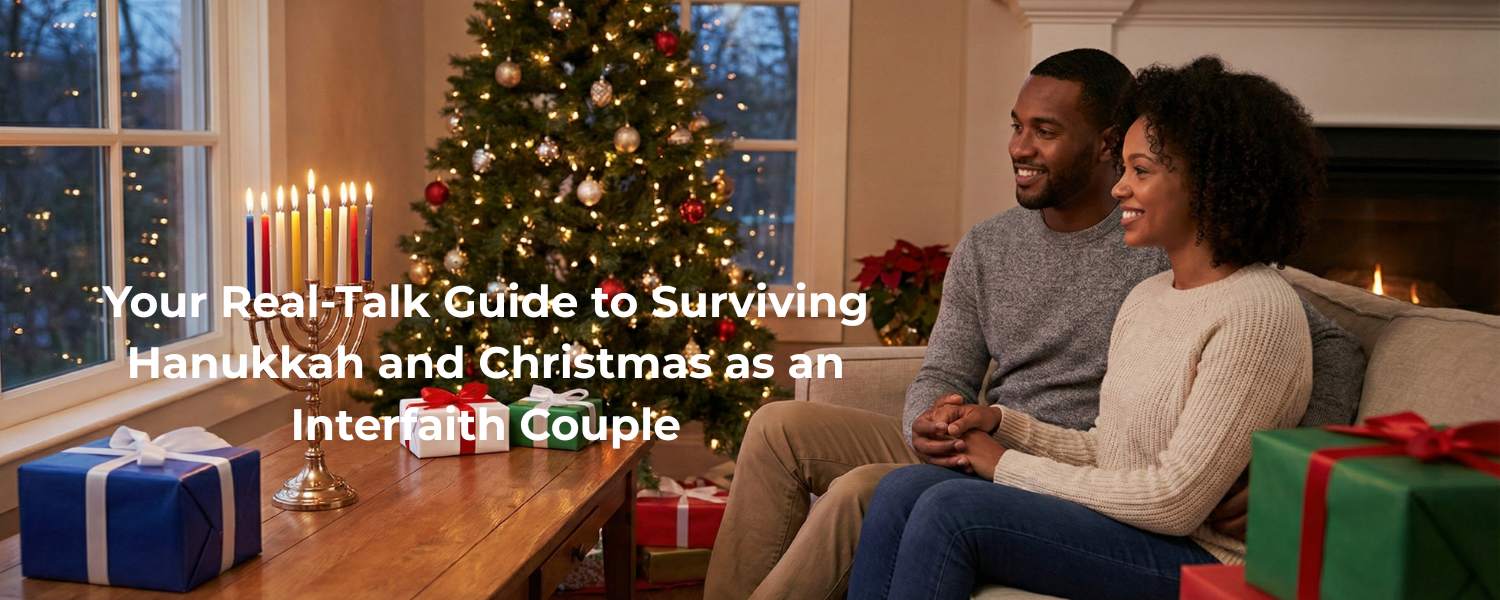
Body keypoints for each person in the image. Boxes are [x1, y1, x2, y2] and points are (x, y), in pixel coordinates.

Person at [703, 49, 1365, 600]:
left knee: (902, 499)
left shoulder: (1221, 289)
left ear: (1106, 144)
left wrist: (1284, 473)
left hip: (1134, 516)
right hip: (1031, 459)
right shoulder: (1113, 277)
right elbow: (954, 374)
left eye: (1045, 131)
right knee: (806, 438)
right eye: (1017, 125)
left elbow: (1318, 352)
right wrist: (959, 423)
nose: (1019, 146)